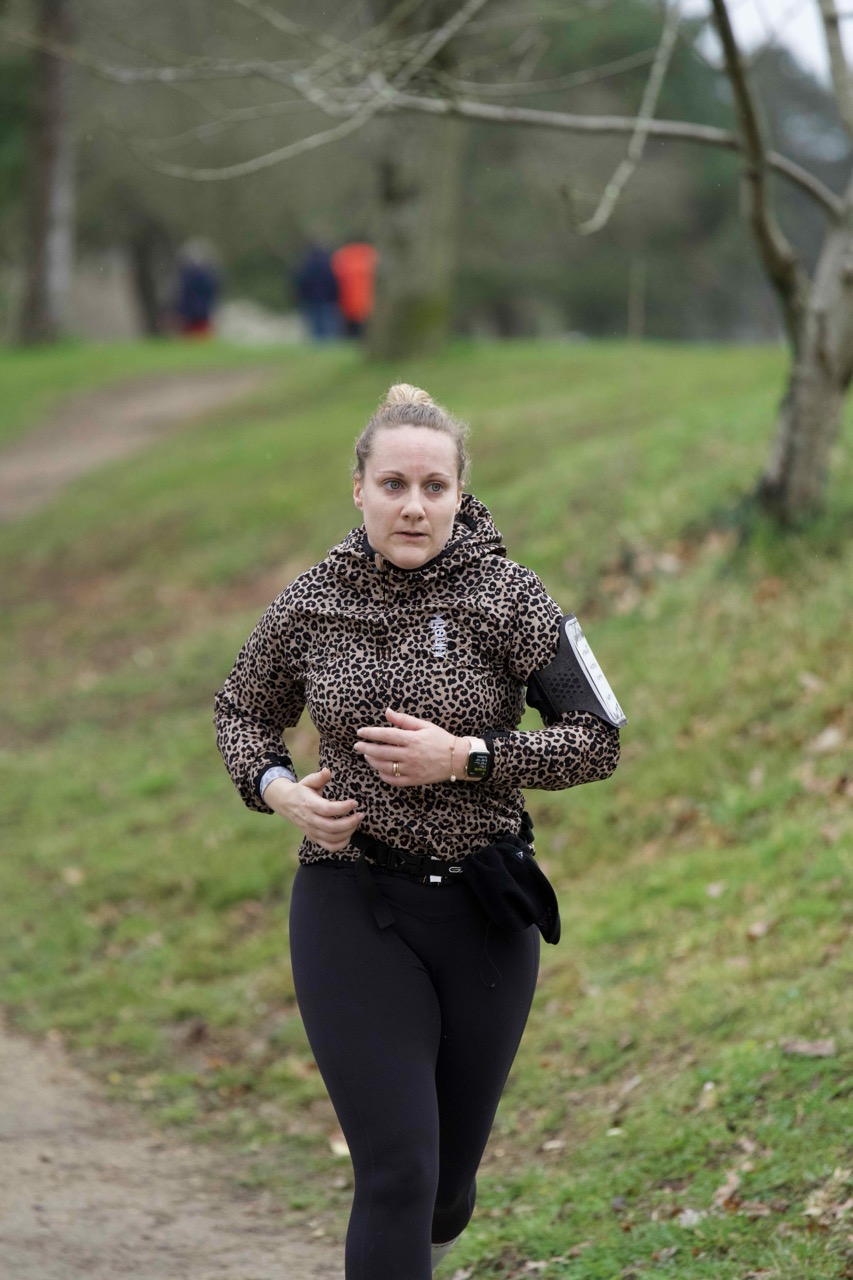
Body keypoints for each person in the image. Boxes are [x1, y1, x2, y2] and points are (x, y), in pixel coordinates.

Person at [213, 384, 621, 1280]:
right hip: (349, 899)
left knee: (442, 1190)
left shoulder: (510, 598)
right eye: (393, 484)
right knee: (397, 1172)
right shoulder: (312, 602)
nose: (412, 506)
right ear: (357, 488)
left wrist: (468, 756)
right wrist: (277, 788)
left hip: (483, 908)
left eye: (434, 487)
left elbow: (597, 739)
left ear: (460, 494)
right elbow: (241, 709)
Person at [293, 243, 341, 341]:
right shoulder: (328, 266)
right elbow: (334, 283)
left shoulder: (306, 266)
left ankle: (316, 343)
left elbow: (302, 283)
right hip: (327, 299)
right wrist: (335, 297)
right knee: (327, 325)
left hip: (311, 300)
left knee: (315, 325)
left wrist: (302, 296)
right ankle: (328, 344)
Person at [331, 239, 378, 337]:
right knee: (360, 330)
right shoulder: (368, 258)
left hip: (346, 301)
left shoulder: (342, 258)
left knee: (349, 330)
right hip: (364, 302)